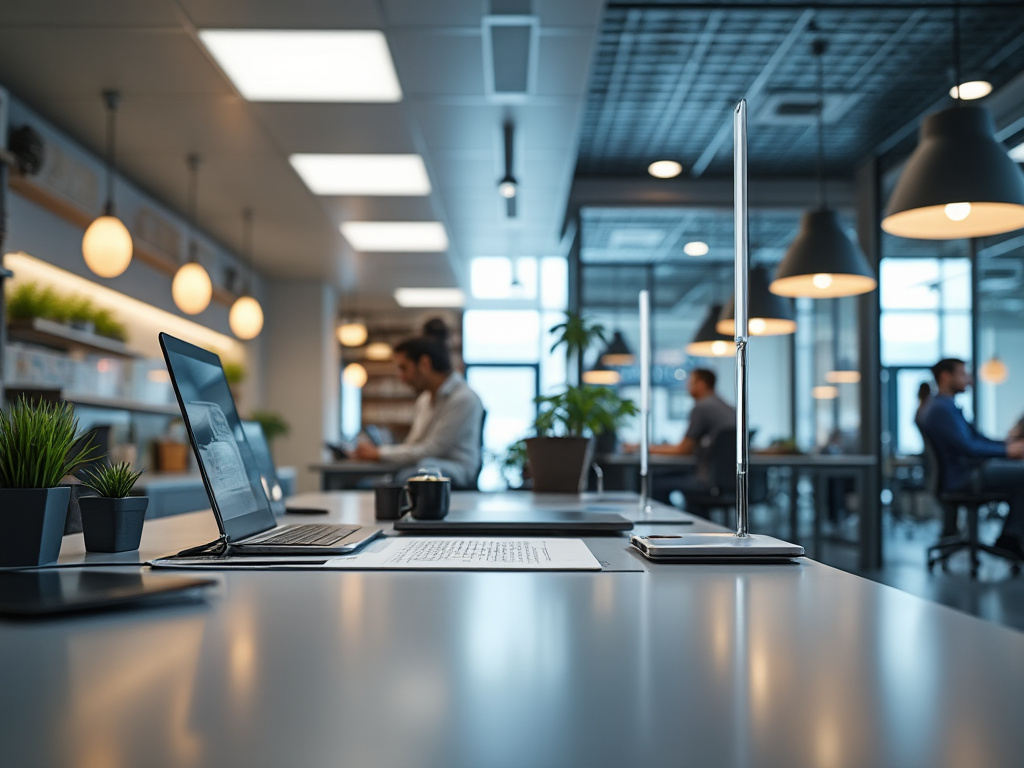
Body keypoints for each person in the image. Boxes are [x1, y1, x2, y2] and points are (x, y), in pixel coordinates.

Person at [917, 358, 1024, 554]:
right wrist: (1008, 451)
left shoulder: (945, 406)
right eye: (963, 374)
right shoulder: (941, 409)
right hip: (965, 477)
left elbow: (976, 438)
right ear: (945, 376)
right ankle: (1010, 538)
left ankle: (1012, 537)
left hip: (967, 472)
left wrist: (1007, 446)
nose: (969, 380)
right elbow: (968, 448)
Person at [354, 333, 484, 488]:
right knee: (369, 484)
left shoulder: (464, 399)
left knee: (409, 476)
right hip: (421, 466)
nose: (401, 378)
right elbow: (413, 446)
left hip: (454, 473)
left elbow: (432, 450)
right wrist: (379, 453)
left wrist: (379, 453)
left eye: (404, 368)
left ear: (424, 363)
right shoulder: (424, 400)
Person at [625, 368, 736, 505]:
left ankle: (665, 523)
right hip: (727, 479)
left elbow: (683, 450)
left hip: (706, 479)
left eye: (690, 382)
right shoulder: (728, 407)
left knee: (654, 482)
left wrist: (642, 448)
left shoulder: (702, 407)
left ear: (701, 384)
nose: (687, 387)